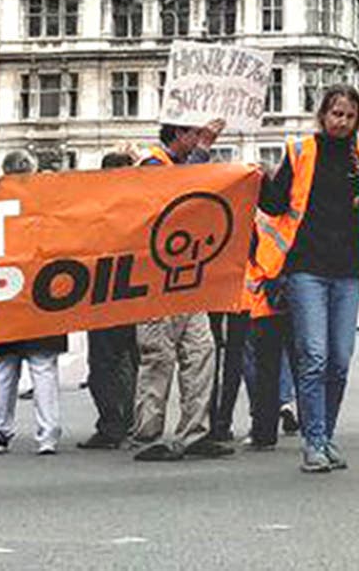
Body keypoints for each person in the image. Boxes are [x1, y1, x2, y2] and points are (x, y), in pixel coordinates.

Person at [254, 87, 359, 474]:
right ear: (322, 115)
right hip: (307, 269)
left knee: (339, 360)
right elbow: (275, 204)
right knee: (314, 357)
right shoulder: (301, 152)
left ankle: (327, 435)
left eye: (349, 116)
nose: (342, 121)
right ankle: (315, 441)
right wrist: (259, 181)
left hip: (349, 271)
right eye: (336, 113)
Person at [130, 118, 232, 465]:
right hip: (157, 281)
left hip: (187, 278)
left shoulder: (173, 163)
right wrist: (204, 150)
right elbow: (180, 194)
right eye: (193, 134)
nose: (198, 139)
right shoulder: (152, 163)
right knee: (158, 356)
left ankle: (194, 432)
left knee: (201, 352)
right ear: (179, 134)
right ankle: (148, 434)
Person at [0, 153, 66, 455]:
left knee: (4, 366)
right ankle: (48, 434)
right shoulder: (49, 201)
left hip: (5, 289)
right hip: (46, 290)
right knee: (43, 366)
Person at [79, 149, 141, 450]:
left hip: (103, 293)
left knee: (103, 364)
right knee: (134, 361)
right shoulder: (142, 204)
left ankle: (111, 425)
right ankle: (133, 423)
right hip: (136, 293)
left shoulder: (94, 205)